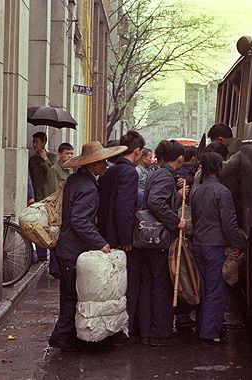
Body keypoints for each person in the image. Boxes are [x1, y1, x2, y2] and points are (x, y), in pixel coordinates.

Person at [48, 141, 126, 352]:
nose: (105, 166)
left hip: (65, 248)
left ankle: (66, 335)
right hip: (73, 250)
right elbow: (80, 221)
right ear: (92, 165)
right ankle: (62, 336)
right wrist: (101, 243)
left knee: (69, 293)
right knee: (71, 295)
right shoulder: (88, 187)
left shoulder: (76, 180)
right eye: (102, 162)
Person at [98, 130, 145, 345]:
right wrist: (127, 238)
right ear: (137, 151)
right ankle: (125, 329)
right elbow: (125, 208)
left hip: (107, 233)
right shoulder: (130, 173)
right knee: (129, 285)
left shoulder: (111, 170)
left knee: (113, 286)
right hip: (121, 238)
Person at [191, 152, 243, 345]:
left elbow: (195, 219)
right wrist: (236, 243)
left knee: (204, 288)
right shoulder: (223, 192)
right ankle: (210, 332)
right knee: (215, 290)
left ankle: (203, 328)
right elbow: (229, 223)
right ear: (219, 169)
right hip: (216, 246)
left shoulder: (197, 191)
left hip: (199, 244)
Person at [139, 140, 187, 346]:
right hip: (159, 239)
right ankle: (159, 332)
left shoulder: (158, 173)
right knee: (160, 285)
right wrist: (176, 221)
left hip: (151, 238)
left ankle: (147, 331)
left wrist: (176, 195)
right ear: (180, 159)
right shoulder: (165, 176)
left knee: (151, 284)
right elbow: (155, 202)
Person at [45, 142, 74, 278]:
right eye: (67, 153)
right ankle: (54, 268)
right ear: (60, 154)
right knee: (55, 239)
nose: (69, 156)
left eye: (71, 153)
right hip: (57, 210)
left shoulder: (72, 169)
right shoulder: (54, 170)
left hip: (69, 210)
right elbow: (53, 193)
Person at [29, 131, 57, 261]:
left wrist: (45, 159)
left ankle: (52, 256)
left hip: (49, 198)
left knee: (49, 228)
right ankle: (41, 254)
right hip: (37, 197)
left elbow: (53, 174)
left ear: (44, 142)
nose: (35, 145)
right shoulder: (32, 160)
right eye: (33, 142)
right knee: (38, 227)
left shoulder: (52, 157)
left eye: (37, 142)